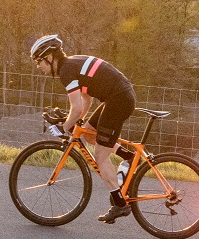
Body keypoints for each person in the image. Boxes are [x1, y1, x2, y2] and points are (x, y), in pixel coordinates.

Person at [30, 34, 138, 223]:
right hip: (118, 97)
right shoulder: (71, 65)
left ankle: (120, 204)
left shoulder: (66, 71)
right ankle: (128, 157)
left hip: (118, 100)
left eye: (39, 61)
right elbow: (86, 100)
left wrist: (64, 127)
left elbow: (77, 107)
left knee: (101, 156)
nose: (38, 66)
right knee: (88, 134)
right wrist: (77, 123)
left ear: (49, 57)